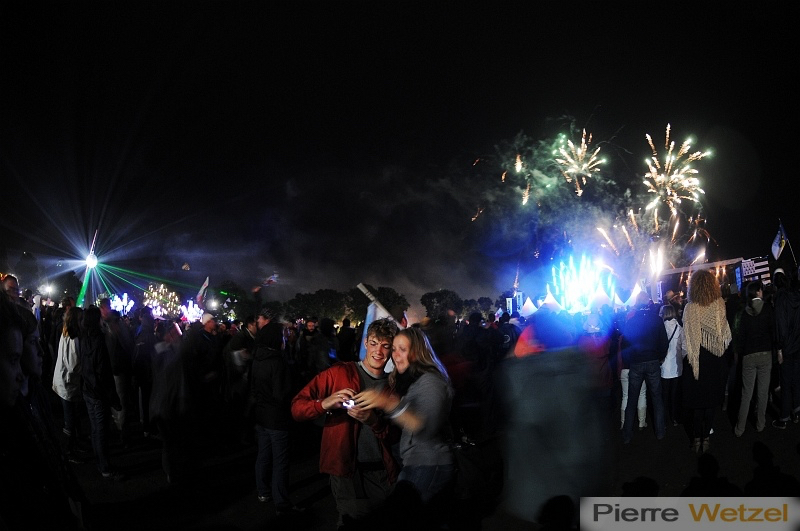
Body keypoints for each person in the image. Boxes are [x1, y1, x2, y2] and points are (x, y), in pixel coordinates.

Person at [291, 318, 400, 529]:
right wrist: (324, 403)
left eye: (386, 346)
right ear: (366, 342)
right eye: (375, 343)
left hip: (384, 471)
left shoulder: (392, 385)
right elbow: (297, 408)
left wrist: (374, 422)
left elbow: (397, 434)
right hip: (348, 471)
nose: (379, 351)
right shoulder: (340, 372)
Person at [355, 327, 456, 525]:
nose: (395, 355)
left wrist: (386, 402)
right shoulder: (410, 381)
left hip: (430, 463)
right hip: (414, 462)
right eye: (394, 349)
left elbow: (424, 426)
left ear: (417, 351)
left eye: (402, 349)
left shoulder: (431, 381)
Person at [251, 320, 303, 516]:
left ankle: (263, 492)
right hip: (277, 418)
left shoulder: (258, 358)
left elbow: (254, 388)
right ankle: (281, 502)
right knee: (280, 460)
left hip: (261, 415)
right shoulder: (278, 361)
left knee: (263, 454)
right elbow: (281, 393)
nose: (285, 337)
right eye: (283, 334)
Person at [681, 268, 733, 454]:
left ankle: (696, 439)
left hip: (696, 360)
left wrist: (690, 356)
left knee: (697, 403)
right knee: (710, 402)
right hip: (715, 359)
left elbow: (686, 340)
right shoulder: (719, 304)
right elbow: (725, 335)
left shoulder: (689, 307)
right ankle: (706, 439)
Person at [79, 306, 124, 479]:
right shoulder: (99, 340)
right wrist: (112, 396)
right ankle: (105, 467)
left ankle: (100, 462)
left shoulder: (85, 338)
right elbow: (103, 371)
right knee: (101, 431)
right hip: (98, 392)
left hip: (88, 390)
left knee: (95, 429)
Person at [620, 292, 669, 444]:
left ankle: (627, 434)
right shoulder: (657, 319)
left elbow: (625, 345)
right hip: (653, 360)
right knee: (657, 398)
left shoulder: (631, 321)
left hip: (636, 362)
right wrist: (659, 357)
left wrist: (629, 361)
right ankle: (660, 432)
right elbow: (664, 343)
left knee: (632, 398)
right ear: (648, 303)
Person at [733, 280, 776, 436]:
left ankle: (740, 428)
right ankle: (760, 424)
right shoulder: (768, 309)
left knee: (746, 393)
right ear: (758, 292)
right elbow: (773, 332)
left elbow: (741, 337)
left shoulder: (744, 312)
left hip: (748, 356)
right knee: (763, 392)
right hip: (765, 354)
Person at [53, 305, 84, 458]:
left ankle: (74, 446)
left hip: (63, 380)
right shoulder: (74, 337)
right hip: (68, 383)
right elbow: (73, 365)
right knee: (70, 420)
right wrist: (85, 371)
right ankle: (68, 451)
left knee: (72, 417)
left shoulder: (66, 333)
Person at [772, 269, 800, 428]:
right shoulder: (796, 296)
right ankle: (796, 410)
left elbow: (781, 327)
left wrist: (780, 348)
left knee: (786, 382)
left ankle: (784, 418)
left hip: (787, 347)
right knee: (796, 380)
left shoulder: (781, 299)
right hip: (797, 344)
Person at [659, 304, 685, 427]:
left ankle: (663, 420)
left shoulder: (661, 328)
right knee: (675, 395)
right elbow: (684, 347)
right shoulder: (679, 328)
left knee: (664, 394)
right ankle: (674, 417)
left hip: (664, 366)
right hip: (677, 365)